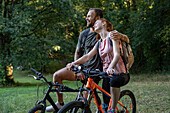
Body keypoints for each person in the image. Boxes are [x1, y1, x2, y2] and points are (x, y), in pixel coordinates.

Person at [46, 8, 130, 112]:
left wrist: (122, 36)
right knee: (57, 76)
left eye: (90, 16)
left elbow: (122, 43)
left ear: (100, 20)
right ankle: (60, 103)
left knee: (93, 100)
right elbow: (85, 55)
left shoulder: (111, 34)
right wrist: (75, 65)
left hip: (101, 72)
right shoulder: (90, 37)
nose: (87, 18)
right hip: (86, 69)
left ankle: (106, 108)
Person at [66, 18, 130, 113]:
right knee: (105, 97)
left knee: (113, 82)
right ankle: (105, 108)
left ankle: (112, 109)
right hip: (106, 74)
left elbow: (117, 54)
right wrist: (74, 63)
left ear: (104, 23)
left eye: (96, 23)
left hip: (119, 73)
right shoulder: (99, 43)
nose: (94, 25)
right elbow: (87, 56)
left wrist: (111, 67)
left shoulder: (112, 35)